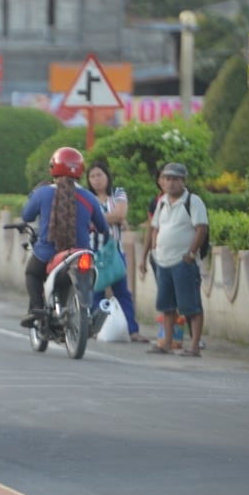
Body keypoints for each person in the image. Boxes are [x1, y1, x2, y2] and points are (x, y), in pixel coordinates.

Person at [19, 147, 109, 327]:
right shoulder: (89, 197)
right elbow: (103, 228)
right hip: (80, 253)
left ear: (54, 168)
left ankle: (37, 308)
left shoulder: (43, 193)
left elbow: (27, 216)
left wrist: (34, 197)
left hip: (47, 254)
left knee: (32, 272)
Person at [141, 162, 209, 357]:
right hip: (163, 261)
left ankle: (195, 345)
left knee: (191, 305)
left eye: (175, 179)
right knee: (167, 306)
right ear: (162, 181)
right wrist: (149, 254)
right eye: (167, 179)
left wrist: (189, 254)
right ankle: (167, 343)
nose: (171, 183)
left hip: (183, 263)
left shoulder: (193, 201)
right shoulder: (161, 202)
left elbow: (201, 229)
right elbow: (154, 228)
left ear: (183, 181)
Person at [86, 160, 147, 343]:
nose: (96, 180)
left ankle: (132, 330)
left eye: (100, 175)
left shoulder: (118, 192)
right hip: (93, 251)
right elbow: (85, 220)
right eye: (92, 176)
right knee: (95, 293)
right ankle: (98, 329)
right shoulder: (87, 197)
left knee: (122, 292)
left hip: (114, 252)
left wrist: (97, 219)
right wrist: (111, 219)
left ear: (107, 176)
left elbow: (120, 214)